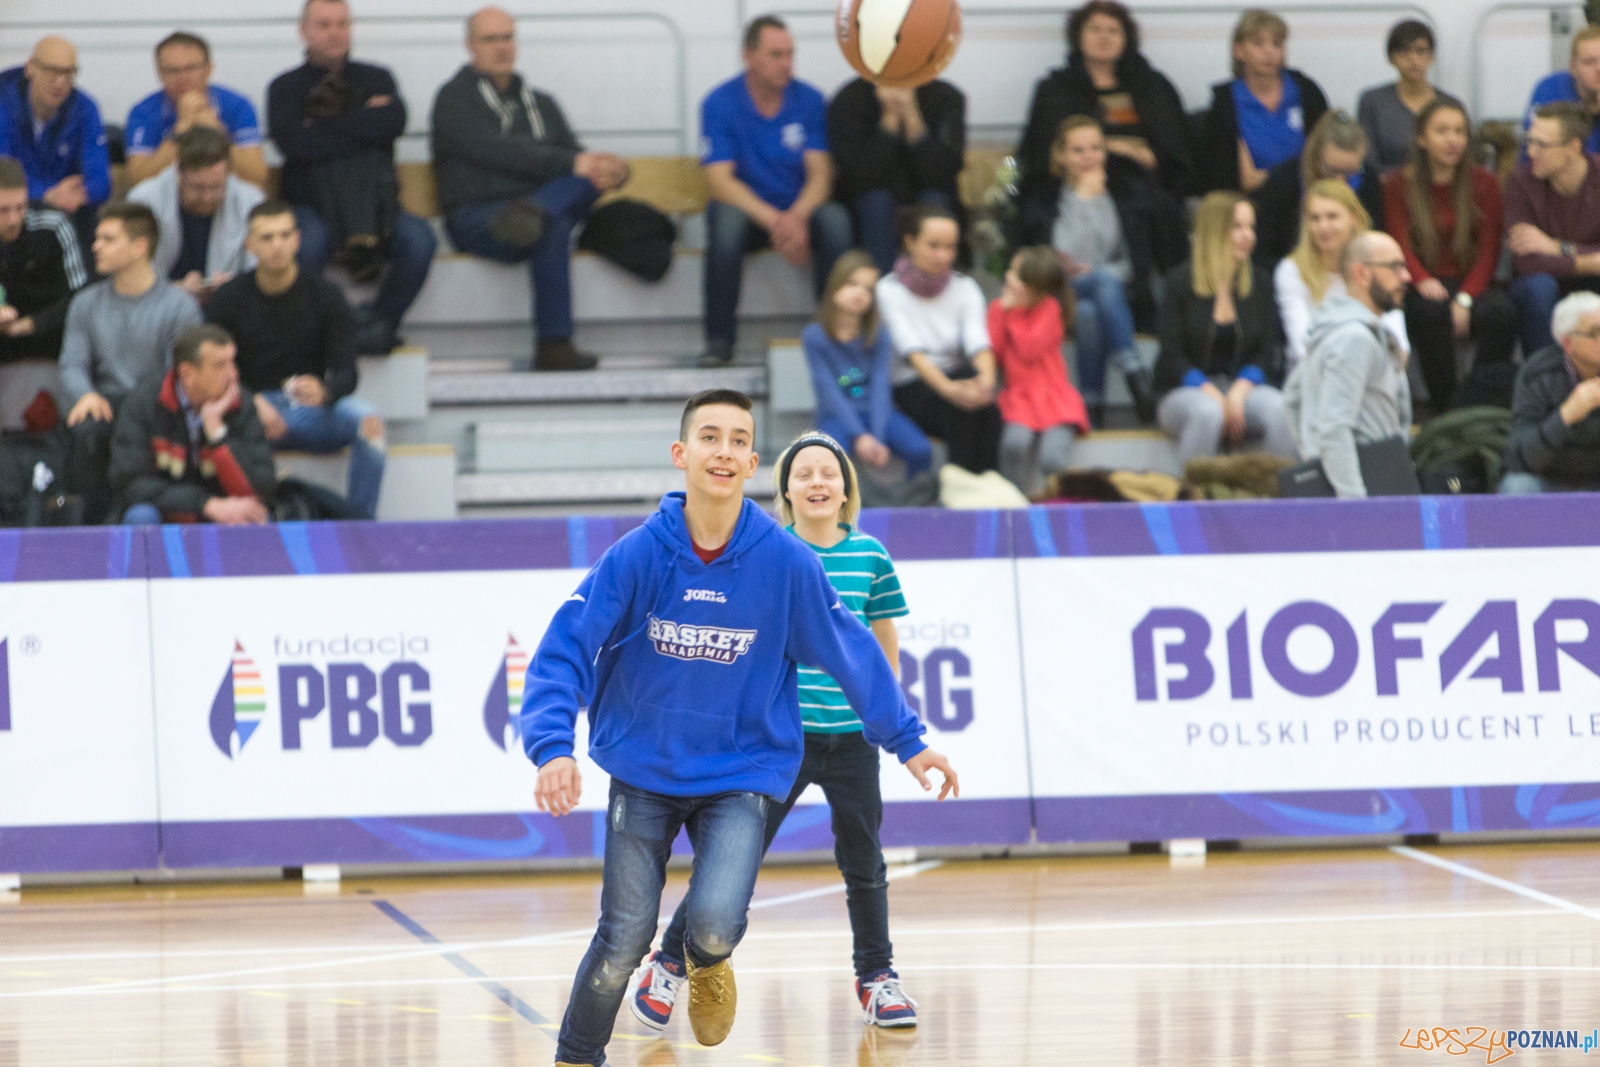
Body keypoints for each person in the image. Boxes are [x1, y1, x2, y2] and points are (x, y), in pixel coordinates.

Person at [523, 389, 957, 1067]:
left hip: (741, 773)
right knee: (622, 939)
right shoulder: (638, 555)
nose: (723, 450)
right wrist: (552, 746)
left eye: (737, 440)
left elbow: (852, 648)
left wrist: (908, 739)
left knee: (716, 923)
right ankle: (576, 1057)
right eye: (709, 436)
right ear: (681, 453)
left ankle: (706, 957)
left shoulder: (783, 563)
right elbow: (563, 648)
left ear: (752, 461)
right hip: (643, 770)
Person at [628, 430, 943, 1036]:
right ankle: (669, 962)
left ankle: (876, 976)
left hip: (852, 741)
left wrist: (891, 720)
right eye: (805, 474)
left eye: (829, 472)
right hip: (779, 743)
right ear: (786, 491)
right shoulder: (768, 553)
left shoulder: (871, 556)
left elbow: (880, 650)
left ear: (846, 487)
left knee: (864, 862)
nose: (818, 482)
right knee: (731, 862)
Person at [431, 7, 630, 373]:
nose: (502, 47)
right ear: (470, 45)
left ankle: (537, 208)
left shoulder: (542, 103)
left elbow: (574, 158)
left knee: (566, 197)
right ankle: (554, 345)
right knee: (556, 214)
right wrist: (566, 167)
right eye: (490, 39)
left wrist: (614, 169)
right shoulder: (452, 100)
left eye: (507, 37)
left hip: (527, 217)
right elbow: (493, 151)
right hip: (478, 217)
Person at [267, 0, 437, 355]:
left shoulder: (377, 77)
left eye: (342, 24)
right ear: (304, 31)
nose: (335, 32)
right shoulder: (284, 87)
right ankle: (314, 335)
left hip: (375, 204)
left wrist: (321, 126)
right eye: (325, 24)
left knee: (419, 240)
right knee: (305, 244)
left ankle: (377, 324)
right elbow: (294, 145)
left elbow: (393, 122)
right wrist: (362, 121)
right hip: (310, 204)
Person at [206, 201, 384, 520]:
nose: (277, 246)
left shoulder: (326, 296)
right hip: (248, 412)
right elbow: (211, 372)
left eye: (285, 235)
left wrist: (325, 390)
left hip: (311, 410)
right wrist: (249, 401)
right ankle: (248, 525)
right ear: (249, 245)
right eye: (267, 237)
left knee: (369, 422)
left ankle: (360, 523)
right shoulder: (228, 299)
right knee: (215, 432)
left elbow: (347, 372)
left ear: (297, 241)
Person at [698, 17, 852, 367]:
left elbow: (821, 176)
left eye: (790, 54)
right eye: (776, 54)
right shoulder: (719, 103)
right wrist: (776, 222)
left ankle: (835, 336)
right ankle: (719, 340)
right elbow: (720, 181)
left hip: (798, 210)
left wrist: (795, 218)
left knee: (837, 220)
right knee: (725, 224)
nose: (787, 63)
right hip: (751, 214)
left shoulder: (811, 100)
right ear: (749, 56)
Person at [1014, 115, 1182, 424]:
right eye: (1078, 150)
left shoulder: (1125, 196)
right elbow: (1058, 260)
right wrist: (1083, 200)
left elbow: (1132, 262)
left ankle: (1092, 406)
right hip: (1057, 293)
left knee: (1091, 310)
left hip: (1113, 295)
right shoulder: (1043, 201)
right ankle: (1135, 374)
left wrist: (1103, 274)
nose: (1089, 157)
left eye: (1096, 148)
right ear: (1060, 156)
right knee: (1099, 285)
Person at [60, 202, 203, 522]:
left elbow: (178, 375)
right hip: (105, 402)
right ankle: (89, 524)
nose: (95, 246)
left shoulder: (180, 307)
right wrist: (85, 395)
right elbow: (71, 365)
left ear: (139, 247)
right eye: (97, 238)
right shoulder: (85, 303)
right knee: (86, 427)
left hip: (158, 406)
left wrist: (138, 408)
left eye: (108, 239)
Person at [1383, 99, 1515, 413]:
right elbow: (1399, 243)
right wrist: (1422, 280)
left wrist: (1466, 298)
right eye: (1442, 131)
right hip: (1422, 282)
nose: (1452, 139)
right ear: (1421, 138)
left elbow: (1489, 250)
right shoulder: (1399, 184)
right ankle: (1447, 408)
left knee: (1501, 314)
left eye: (1459, 131)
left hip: (1472, 281)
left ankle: (1481, 404)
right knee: (1431, 314)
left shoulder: (1484, 182)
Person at [1155, 192, 1295, 465]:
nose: (1248, 236)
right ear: (1214, 231)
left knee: (1282, 409)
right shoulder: (1179, 283)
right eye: (1237, 227)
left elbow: (1267, 351)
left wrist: (1239, 392)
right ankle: (1189, 500)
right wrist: (1212, 393)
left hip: (1243, 388)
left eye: (1251, 227)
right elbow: (1171, 356)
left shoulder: (1261, 282)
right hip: (1184, 392)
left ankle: (1276, 498)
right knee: (1208, 413)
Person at [1016, 1, 1194, 201]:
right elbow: (1041, 153)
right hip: (1072, 194)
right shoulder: (1056, 90)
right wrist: (1114, 147)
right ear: (1078, 37)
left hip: (1145, 193)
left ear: (1126, 39)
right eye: (1095, 29)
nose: (1104, 36)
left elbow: (1176, 149)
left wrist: (1153, 157)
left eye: (1113, 30)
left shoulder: (1153, 87)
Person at [1283, 231, 1414, 498]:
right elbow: (1333, 429)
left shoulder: (1333, 330)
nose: (1406, 277)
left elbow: (1292, 397)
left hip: (1374, 478)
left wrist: (1312, 454)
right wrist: (1354, 501)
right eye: (1394, 267)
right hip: (1367, 490)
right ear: (1362, 274)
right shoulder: (1354, 338)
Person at [109, 323, 275, 526]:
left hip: (224, 514)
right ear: (187, 374)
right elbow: (130, 484)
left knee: (254, 516)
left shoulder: (241, 405)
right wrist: (205, 504)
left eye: (233, 362)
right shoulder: (143, 405)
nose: (233, 375)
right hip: (169, 513)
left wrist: (217, 434)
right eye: (220, 365)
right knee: (141, 516)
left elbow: (259, 488)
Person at [878, 206, 999, 474]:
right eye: (933, 246)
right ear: (910, 242)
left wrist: (986, 384)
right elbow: (912, 352)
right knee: (959, 410)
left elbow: (978, 342)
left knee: (989, 410)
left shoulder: (964, 287)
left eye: (950, 247)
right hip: (911, 384)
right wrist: (950, 390)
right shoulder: (889, 290)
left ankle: (988, 488)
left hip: (955, 377)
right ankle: (963, 487)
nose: (943, 256)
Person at [801, 251, 932, 477]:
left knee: (921, 450)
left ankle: (911, 503)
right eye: (852, 284)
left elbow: (881, 386)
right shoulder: (814, 336)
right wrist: (859, 435)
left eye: (868, 289)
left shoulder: (879, 335)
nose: (859, 293)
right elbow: (829, 391)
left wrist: (878, 436)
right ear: (834, 286)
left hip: (878, 412)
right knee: (825, 457)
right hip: (837, 415)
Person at [827, 77, 965, 274]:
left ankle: (934, 286)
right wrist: (888, 121)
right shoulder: (850, 98)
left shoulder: (946, 96)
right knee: (876, 201)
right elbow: (858, 178)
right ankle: (881, 288)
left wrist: (912, 118)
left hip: (928, 197)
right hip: (867, 205)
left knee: (935, 200)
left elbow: (942, 177)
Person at [1275, 179, 1409, 375]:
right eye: (1315, 218)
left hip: (1376, 375)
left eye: (1332, 216)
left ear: (1353, 217)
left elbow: (1398, 343)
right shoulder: (1291, 271)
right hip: (1316, 377)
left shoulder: (1376, 263)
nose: (1323, 226)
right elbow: (1303, 346)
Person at [0, 38, 111, 257]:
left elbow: (101, 183)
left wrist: (75, 195)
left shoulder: (85, 108)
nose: (60, 82)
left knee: (92, 219)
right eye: (51, 71)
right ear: (30, 67)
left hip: (67, 212)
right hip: (13, 209)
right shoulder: (3, 104)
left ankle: (81, 288)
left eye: (68, 74)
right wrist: (47, 194)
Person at [990, 246, 1088, 493]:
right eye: (1011, 270)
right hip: (1020, 399)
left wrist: (1012, 314)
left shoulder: (1050, 309)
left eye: (1017, 275)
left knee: (1051, 459)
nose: (1008, 277)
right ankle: (1015, 502)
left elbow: (1029, 349)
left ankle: (1058, 504)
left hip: (1054, 399)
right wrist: (1001, 313)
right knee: (1014, 444)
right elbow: (997, 352)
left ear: (1034, 288)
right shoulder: (998, 309)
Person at [1505, 102, 1600, 357]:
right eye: (1529, 141)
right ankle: (1544, 378)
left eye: (1542, 145)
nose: (1531, 151)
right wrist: (1591, 260)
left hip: (1588, 279)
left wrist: (1556, 247)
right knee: (1540, 287)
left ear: (1573, 148)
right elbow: (1525, 261)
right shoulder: (1520, 182)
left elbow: (1544, 252)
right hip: (1540, 281)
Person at [127, 127, 265, 302]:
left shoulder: (251, 203)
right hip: (160, 305)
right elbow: (131, 276)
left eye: (216, 187)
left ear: (228, 174)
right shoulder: (143, 202)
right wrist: (174, 290)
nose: (207, 197)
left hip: (230, 305)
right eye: (198, 187)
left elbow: (260, 273)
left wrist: (235, 286)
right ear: (177, 173)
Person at [1200, 9, 1329, 195]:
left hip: (1307, 197)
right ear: (1239, 51)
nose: (1269, 51)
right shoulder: (1226, 102)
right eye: (1258, 43)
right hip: (1249, 203)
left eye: (1276, 44)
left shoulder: (1307, 91)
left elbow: (1325, 157)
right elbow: (1241, 179)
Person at [124, 31, 268, 188]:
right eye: (172, 71)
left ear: (209, 69)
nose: (183, 78)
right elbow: (138, 180)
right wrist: (179, 130)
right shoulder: (143, 112)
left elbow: (257, 176)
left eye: (191, 68)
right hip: (165, 198)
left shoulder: (238, 105)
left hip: (223, 195)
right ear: (159, 74)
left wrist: (216, 132)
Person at [1252, 110, 1386, 270]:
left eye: (1350, 172)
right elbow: (1263, 251)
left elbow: (1374, 237)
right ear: (1316, 155)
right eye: (1332, 170)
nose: (1340, 180)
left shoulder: (1367, 179)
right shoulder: (1284, 180)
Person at [1501, 291, 1600, 493]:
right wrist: (1566, 416)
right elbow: (1520, 459)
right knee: (1517, 487)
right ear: (1568, 343)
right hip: (1548, 481)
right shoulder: (1538, 373)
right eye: (1596, 332)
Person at [0, 155, 89, 364]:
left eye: (20, 207)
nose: (13, 220)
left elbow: (80, 298)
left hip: (52, 336)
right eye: (3, 210)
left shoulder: (54, 225)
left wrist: (26, 325)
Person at [1357, 20, 1465, 173]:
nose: (1413, 59)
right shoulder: (1373, 102)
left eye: (1421, 51)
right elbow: (1368, 161)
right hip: (1388, 189)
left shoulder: (1450, 105)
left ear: (1432, 56)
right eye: (1404, 51)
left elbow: (1464, 159)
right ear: (1391, 58)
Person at [1521, 24, 1600, 157]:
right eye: (1589, 62)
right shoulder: (1549, 90)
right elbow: (1546, 151)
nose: (1599, 69)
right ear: (1573, 67)